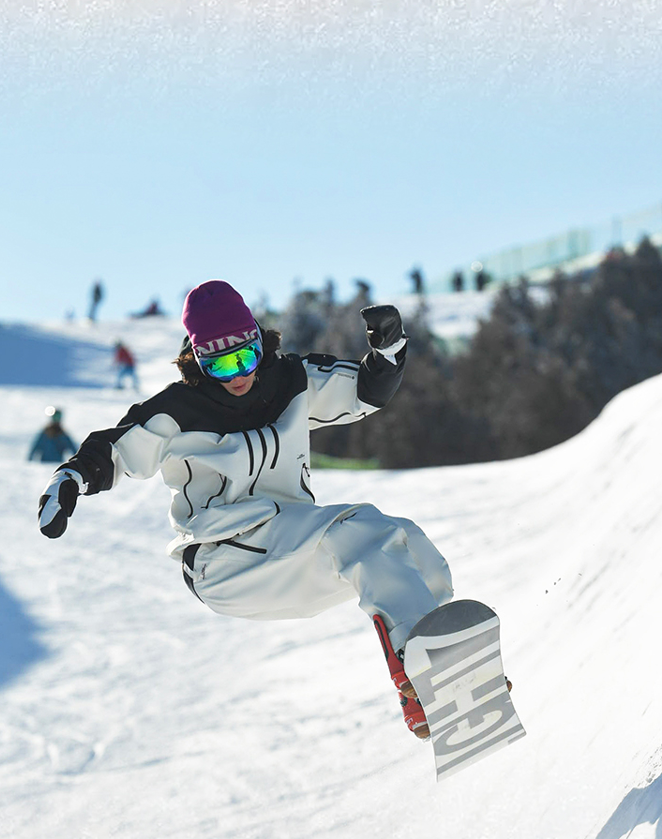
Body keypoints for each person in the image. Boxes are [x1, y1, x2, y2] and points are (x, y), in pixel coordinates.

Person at [37, 280, 454, 738]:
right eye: (218, 364)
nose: (236, 375)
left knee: (401, 541)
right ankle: (424, 664)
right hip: (223, 561)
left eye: (245, 357)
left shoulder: (291, 380)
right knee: (358, 531)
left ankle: (437, 670)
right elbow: (115, 449)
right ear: (197, 361)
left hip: (292, 558)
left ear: (259, 341)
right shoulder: (179, 410)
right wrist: (70, 479)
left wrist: (390, 352)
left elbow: (364, 391)